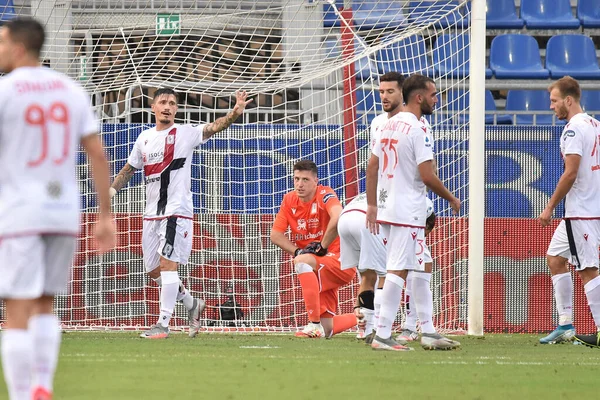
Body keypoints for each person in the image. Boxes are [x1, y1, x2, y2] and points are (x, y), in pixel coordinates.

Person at [0, 17, 115, 400]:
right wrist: (104, 214)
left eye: (1, 42)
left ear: (18, 48)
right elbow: (98, 155)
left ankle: (20, 395)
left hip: (20, 210)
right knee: (46, 302)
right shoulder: (71, 90)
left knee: (16, 309)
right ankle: (42, 387)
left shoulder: (6, 91)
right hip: (64, 209)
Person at [110, 87, 252, 339]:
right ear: (153, 107)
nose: (167, 106)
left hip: (177, 212)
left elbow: (213, 127)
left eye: (172, 103)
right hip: (151, 214)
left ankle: (163, 325)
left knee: (167, 266)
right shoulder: (143, 137)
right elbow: (130, 169)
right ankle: (191, 304)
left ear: (176, 109)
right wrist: (111, 190)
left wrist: (234, 113)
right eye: (162, 102)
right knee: (153, 270)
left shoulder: (185, 133)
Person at [365, 73, 461, 351]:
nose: (436, 99)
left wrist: (372, 204)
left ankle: (428, 331)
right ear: (419, 97)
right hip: (407, 210)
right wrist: (451, 198)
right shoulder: (419, 128)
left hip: (388, 206)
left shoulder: (387, 124)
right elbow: (428, 176)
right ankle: (382, 333)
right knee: (398, 269)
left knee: (420, 263)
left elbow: (372, 166)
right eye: (433, 95)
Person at [538, 76, 600, 348]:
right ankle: (565, 325)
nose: (551, 107)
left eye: (554, 101)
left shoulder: (573, 130)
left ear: (568, 100)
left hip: (582, 211)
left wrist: (550, 206)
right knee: (555, 257)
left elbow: (570, 173)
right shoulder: (595, 124)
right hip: (587, 207)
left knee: (588, 269)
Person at [270, 160, 358, 338]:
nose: (299, 184)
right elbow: (275, 235)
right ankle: (368, 316)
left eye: (305, 180)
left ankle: (313, 324)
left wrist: (322, 246)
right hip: (318, 266)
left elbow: (338, 216)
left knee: (301, 263)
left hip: (340, 261)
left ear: (316, 181)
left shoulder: (325, 194)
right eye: (296, 179)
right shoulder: (289, 200)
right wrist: (297, 251)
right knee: (328, 329)